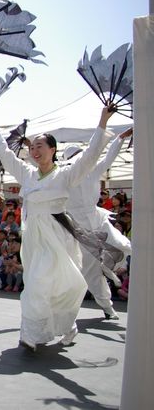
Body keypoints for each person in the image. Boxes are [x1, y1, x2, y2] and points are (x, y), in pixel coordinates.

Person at [0, 104, 115, 351]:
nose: (34, 150)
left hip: (58, 236)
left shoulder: (66, 174)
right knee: (37, 284)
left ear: (53, 150)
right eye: (32, 147)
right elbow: (3, 151)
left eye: (40, 146)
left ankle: (32, 335)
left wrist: (102, 122)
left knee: (48, 285)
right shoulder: (27, 174)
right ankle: (53, 328)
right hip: (33, 238)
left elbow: (90, 156)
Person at [61, 127, 133, 320]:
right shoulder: (64, 175)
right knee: (92, 271)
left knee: (122, 245)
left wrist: (120, 139)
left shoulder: (91, 170)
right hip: (78, 228)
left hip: (95, 218)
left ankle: (117, 269)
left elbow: (107, 157)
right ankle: (108, 307)